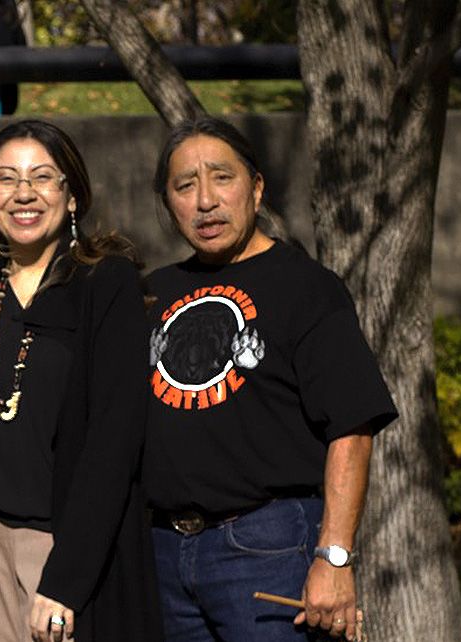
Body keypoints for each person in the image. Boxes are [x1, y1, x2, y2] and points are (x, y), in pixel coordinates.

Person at [144, 116, 396, 642]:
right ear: (169, 204)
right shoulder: (151, 294)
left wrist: (335, 555)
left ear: (256, 188)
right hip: (163, 552)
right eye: (185, 186)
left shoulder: (306, 287)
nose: (205, 200)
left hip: (267, 547)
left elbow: (351, 425)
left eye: (222, 178)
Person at [0, 119, 162, 642]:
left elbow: (115, 436)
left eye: (42, 177)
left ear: (72, 195)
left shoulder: (105, 282)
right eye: (7, 179)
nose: (24, 193)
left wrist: (66, 579)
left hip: (58, 546)